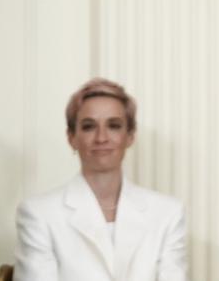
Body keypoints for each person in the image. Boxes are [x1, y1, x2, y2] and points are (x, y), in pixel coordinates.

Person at [14, 78, 188, 281]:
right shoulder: (38, 214)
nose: (101, 138)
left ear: (130, 135)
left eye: (114, 125)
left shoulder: (168, 213)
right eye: (89, 126)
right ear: (71, 137)